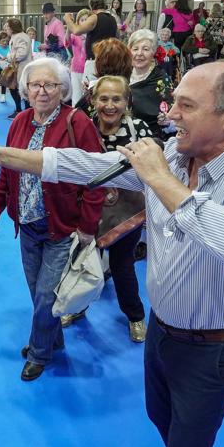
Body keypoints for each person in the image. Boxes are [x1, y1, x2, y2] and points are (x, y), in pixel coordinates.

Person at [0, 59, 224, 447]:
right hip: (163, 330)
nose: (171, 114)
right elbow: (89, 163)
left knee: (188, 440)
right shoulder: (176, 153)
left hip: (212, 347)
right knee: (160, 418)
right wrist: (4, 155)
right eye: (174, 102)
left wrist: (157, 176)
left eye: (186, 106)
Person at [0, 57, 105, 381]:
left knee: (46, 296)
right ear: (26, 87)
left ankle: (39, 352)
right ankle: (53, 339)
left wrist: (87, 227)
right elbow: (7, 169)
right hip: (27, 225)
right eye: (36, 84)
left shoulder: (77, 123)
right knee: (37, 291)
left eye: (50, 84)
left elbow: (98, 177)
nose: (42, 91)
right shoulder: (20, 121)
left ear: (63, 89)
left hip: (61, 228)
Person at [86, 75, 152, 340]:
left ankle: (135, 316)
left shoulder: (139, 129)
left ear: (127, 102)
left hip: (126, 213)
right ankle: (76, 306)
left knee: (123, 266)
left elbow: (153, 169)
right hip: (89, 210)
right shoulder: (84, 127)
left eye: (117, 99)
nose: (110, 105)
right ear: (93, 101)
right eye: (103, 98)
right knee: (82, 263)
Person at [128, 29, 174, 138]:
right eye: (135, 49)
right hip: (124, 133)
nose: (139, 53)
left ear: (153, 52)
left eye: (145, 49)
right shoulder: (122, 73)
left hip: (151, 136)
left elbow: (170, 110)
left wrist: (166, 119)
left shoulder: (161, 78)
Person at [63, 0, 117, 84]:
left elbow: (76, 30)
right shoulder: (113, 19)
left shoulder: (94, 18)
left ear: (91, 6)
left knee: (88, 94)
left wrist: (67, 19)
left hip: (94, 63)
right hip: (109, 61)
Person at [4, 18, 32, 119]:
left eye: (7, 27)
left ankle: (25, 112)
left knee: (22, 91)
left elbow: (21, 54)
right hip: (19, 68)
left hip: (22, 68)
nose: (6, 29)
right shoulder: (19, 36)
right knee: (17, 89)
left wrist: (9, 57)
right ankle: (22, 111)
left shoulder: (19, 37)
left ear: (12, 28)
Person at [65, 9, 89, 105]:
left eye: (86, 20)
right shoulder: (75, 35)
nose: (84, 22)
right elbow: (67, 42)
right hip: (76, 69)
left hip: (89, 69)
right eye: (82, 20)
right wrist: (68, 27)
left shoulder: (92, 35)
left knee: (88, 96)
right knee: (76, 96)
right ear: (78, 22)